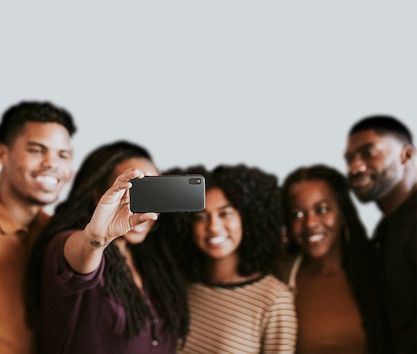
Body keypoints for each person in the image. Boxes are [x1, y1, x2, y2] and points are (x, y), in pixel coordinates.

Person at [25, 140, 189, 354]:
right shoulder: (67, 243)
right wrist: (96, 238)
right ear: (99, 196)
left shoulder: (152, 261)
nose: (145, 206)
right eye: (134, 191)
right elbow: (80, 258)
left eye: (152, 193)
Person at [164, 163, 297, 354]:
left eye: (225, 213)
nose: (213, 226)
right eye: (201, 216)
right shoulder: (181, 288)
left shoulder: (274, 300)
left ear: (248, 219)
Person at [280, 164, 385, 354]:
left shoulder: (378, 269)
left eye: (322, 209)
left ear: (342, 214)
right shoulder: (280, 280)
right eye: (297, 214)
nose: (310, 223)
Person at [0, 100, 76, 354]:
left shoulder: (59, 236)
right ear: (3, 155)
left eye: (62, 155)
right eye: (36, 150)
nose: (51, 163)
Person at [345, 115, 417, 354]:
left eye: (369, 153)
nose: (355, 168)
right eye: (350, 159)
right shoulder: (387, 227)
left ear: (406, 155)